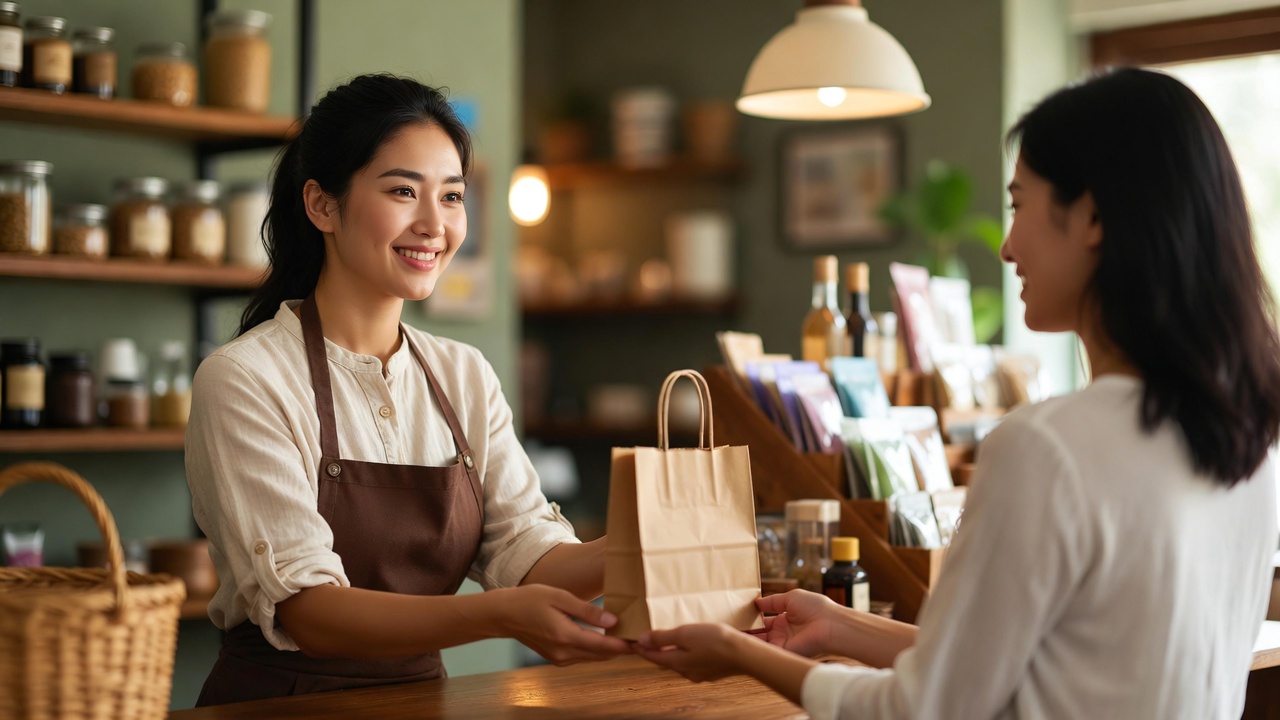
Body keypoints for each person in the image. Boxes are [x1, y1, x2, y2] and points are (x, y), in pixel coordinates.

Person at [634, 67, 1280, 720]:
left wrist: (740, 653)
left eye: (1019, 204)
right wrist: (839, 625)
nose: (1005, 247)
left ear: (1092, 217)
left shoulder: (1046, 450)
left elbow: (924, 707)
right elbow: (1041, 666)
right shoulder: (1249, 441)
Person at [185, 74, 629, 706]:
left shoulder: (463, 373)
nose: (433, 224)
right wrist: (497, 616)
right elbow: (310, 611)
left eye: (452, 197)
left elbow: (530, 553)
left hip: (419, 702)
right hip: (280, 704)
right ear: (322, 206)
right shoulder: (245, 378)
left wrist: (656, 541)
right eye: (402, 191)